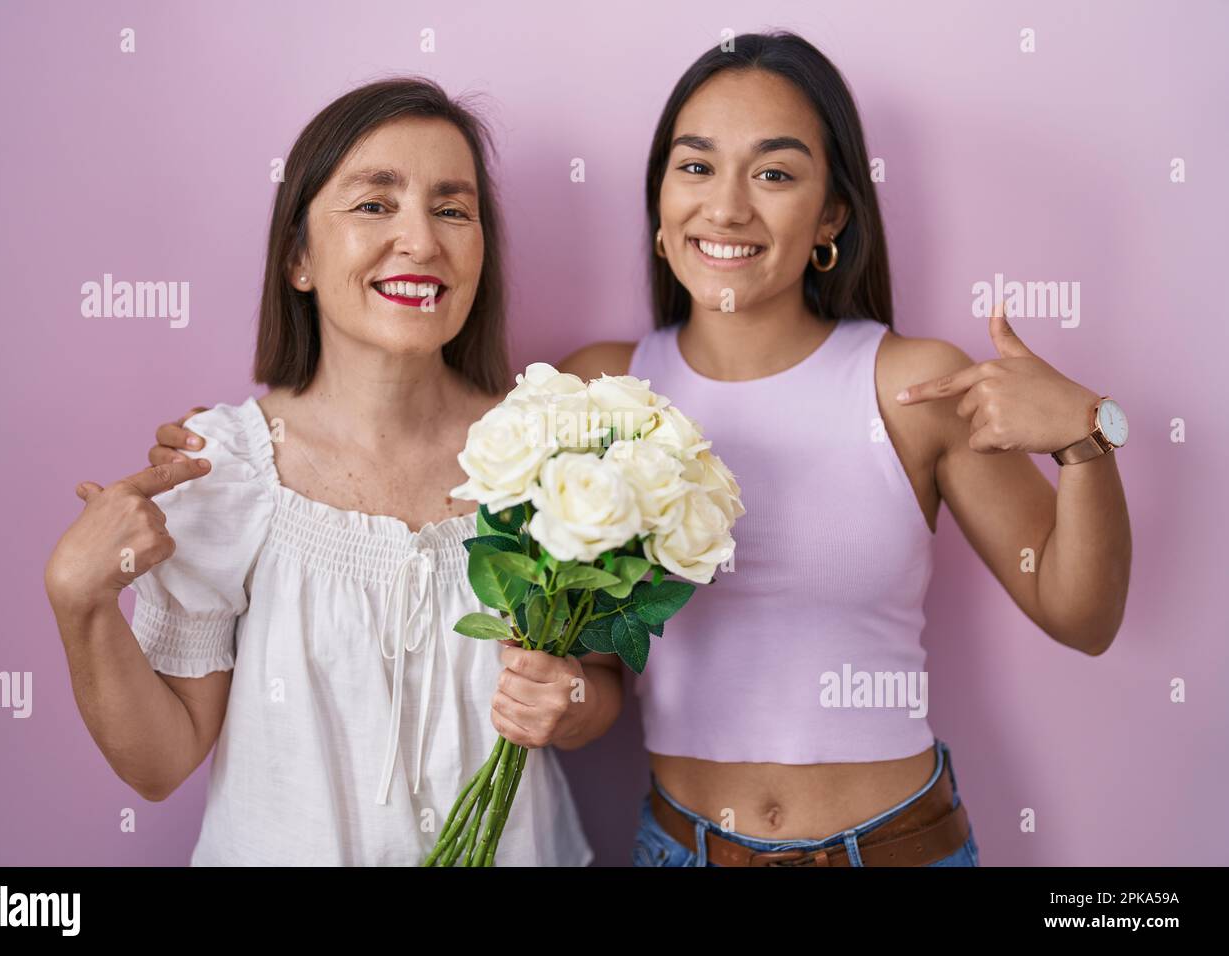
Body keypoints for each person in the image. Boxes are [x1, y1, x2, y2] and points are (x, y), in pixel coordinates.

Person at [151, 33, 1133, 868]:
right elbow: (422, 452)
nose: (729, 206)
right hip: (677, 843)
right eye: (696, 166)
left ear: (831, 216)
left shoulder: (911, 382)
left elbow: (1078, 613)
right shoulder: (596, 391)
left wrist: (1087, 439)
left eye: (777, 173)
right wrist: (244, 448)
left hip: (892, 842)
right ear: (660, 204)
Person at [45, 78, 611, 866]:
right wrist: (81, 604)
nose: (420, 240)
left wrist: (569, 703)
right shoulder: (223, 468)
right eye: (375, 204)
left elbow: (598, 689)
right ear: (300, 259)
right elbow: (160, 762)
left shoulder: (546, 455)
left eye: (452, 209)